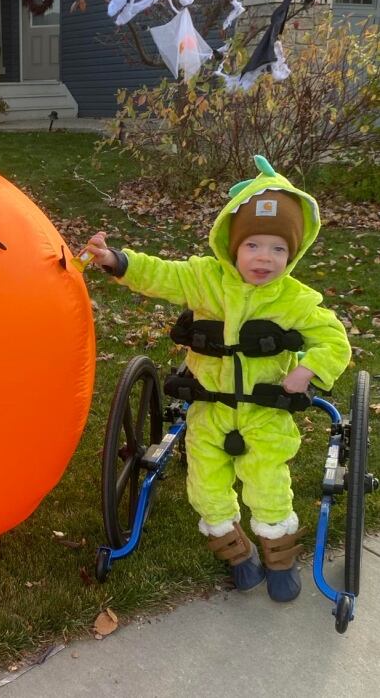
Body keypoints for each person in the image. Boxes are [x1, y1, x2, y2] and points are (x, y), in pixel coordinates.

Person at [85, 155, 351, 602]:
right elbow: (162, 274)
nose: (265, 258)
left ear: (293, 253)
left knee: (268, 487)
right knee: (206, 489)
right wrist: (118, 260)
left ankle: (279, 558)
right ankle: (236, 552)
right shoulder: (205, 280)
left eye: (278, 249)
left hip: (266, 416)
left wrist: (307, 369)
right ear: (232, 245)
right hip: (208, 411)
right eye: (253, 246)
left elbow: (334, 341)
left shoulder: (296, 300)